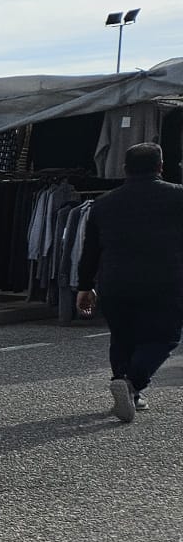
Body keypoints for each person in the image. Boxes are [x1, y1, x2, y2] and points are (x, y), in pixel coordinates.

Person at [76, 141, 183, 423]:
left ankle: (126, 390)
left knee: (122, 336)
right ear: (161, 167)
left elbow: (91, 250)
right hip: (165, 280)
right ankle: (132, 383)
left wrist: (84, 286)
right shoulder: (178, 197)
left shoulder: (104, 203)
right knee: (165, 336)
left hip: (114, 282)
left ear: (124, 169)